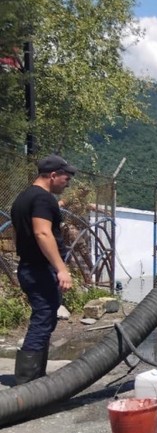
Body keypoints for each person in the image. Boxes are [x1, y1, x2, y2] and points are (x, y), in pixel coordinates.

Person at [10, 154, 77, 385]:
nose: (67, 183)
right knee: (43, 318)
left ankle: (36, 377)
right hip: (39, 269)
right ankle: (28, 383)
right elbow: (42, 232)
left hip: (29, 267)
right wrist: (61, 269)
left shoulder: (24, 198)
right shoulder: (42, 199)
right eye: (65, 178)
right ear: (53, 175)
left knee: (46, 317)